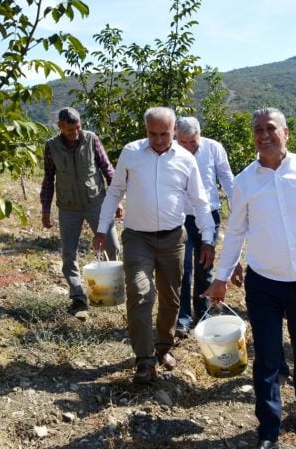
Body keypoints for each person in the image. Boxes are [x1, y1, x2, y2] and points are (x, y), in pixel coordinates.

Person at [206, 108, 296, 449]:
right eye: (258, 129)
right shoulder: (245, 180)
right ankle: (268, 428)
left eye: (271, 128)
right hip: (264, 283)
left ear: (286, 133)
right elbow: (236, 231)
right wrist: (221, 277)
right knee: (267, 358)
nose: (264, 135)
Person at [93, 107, 215, 384]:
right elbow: (115, 191)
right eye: (153, 134)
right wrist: (102, 228)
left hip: (173, 239)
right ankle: (144, 360)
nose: (159, 140)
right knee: (140, 293)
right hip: (138, 237)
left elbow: (200, 200)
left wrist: (208, 238)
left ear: (174, 131)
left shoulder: (185, 159)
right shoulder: (131, 153)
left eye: (164, 134)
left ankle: (163, 347)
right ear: (145, 129)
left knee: (171, 298)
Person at [41, 107, 121, 317]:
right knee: (69, 254)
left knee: (112, 246)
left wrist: (116, 201)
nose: (75, 133)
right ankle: (78, 298)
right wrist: (45, 210)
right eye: (70, 130)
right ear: (60, 127)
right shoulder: (51, 146)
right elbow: (48, 179)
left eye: (78, 128)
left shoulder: (91, 139)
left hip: (96, 203)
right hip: (68, 207)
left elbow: (107, 169)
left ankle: (112, 289)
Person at [174, 116, 235, 338]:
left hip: (209, 215)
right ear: (176, 136)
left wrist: (238, 207)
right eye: (184, 142)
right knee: (183, 268)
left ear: (200, 134)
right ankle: (182, 318)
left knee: (204, 266)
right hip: (181, 216)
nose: (189, 147)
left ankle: (202, 314)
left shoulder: (213, 148)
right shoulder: (170, 150)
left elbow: (226, 177)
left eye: (193, 141)